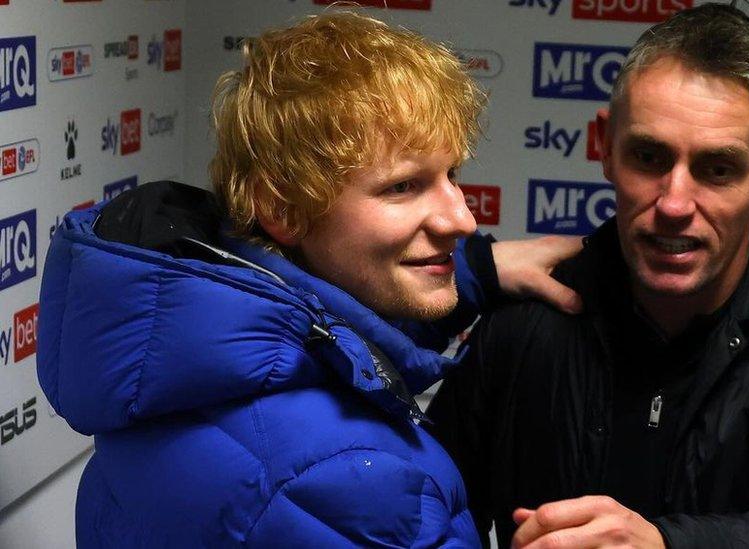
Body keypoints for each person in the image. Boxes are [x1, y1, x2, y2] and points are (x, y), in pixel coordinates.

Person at [37, 12, 578, 548]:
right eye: (403, 187)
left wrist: (478, 271)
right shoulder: (355, 488)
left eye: (451, 175)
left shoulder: (182, 352)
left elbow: (330, 338)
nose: (462, 218)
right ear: (284, 209)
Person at [427, 4, 749, 548]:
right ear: (605, 148)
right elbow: (428, 507)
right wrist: (473, 274)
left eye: (718, 169)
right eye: (648, 156)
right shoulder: (525, 314)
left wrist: (666, 547)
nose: (674, 203)